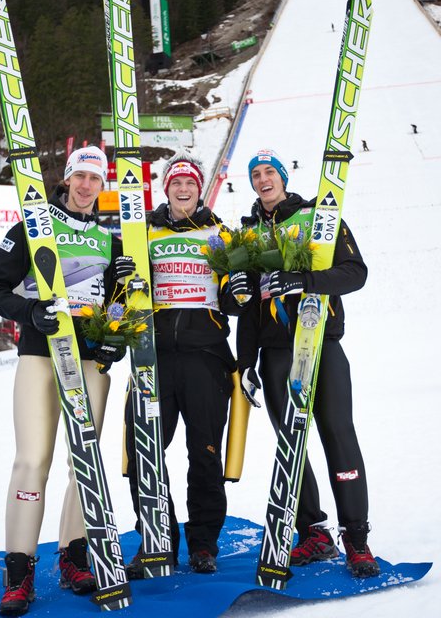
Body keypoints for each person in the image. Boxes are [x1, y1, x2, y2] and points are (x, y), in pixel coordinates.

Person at [0, 146, 135, 615]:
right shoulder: (35, 226)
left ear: (103, 186)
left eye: (95, 178)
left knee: (84, 463)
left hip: (89, 362)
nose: (86, 185)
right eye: (79, 176)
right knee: (32, 460)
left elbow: (117, 306)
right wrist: (30, 311)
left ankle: (74, 556)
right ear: (67, 179)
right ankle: (19, 572)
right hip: (41, 354)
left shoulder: (110, 240)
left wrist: (116, 336)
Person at [236, 148, 380, 578]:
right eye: (256, 174)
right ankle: (313, 532)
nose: (263, 180)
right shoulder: (247, 235)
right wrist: (246, 362)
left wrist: (303, 280)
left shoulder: (319, 217)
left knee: (338, 435)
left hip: (320, 343)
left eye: (270, 172)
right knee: (290, 446)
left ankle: (356, 538)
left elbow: (355, 272)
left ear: (283, 177)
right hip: (276, 353)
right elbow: (248, 307)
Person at [125, 151, 241, 577]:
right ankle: (158, 540)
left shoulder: (220, 234)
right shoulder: (143, 233)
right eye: (176, 182)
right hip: (153, 358)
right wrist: (122, 275)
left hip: (205, 357)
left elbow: (234, 300)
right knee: (144, 450)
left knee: (204, 453)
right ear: (166, 188)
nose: (184, 188)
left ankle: (203, 544)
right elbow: (123, 291)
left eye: (190, 182)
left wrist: (239, 288)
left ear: (200, 187)